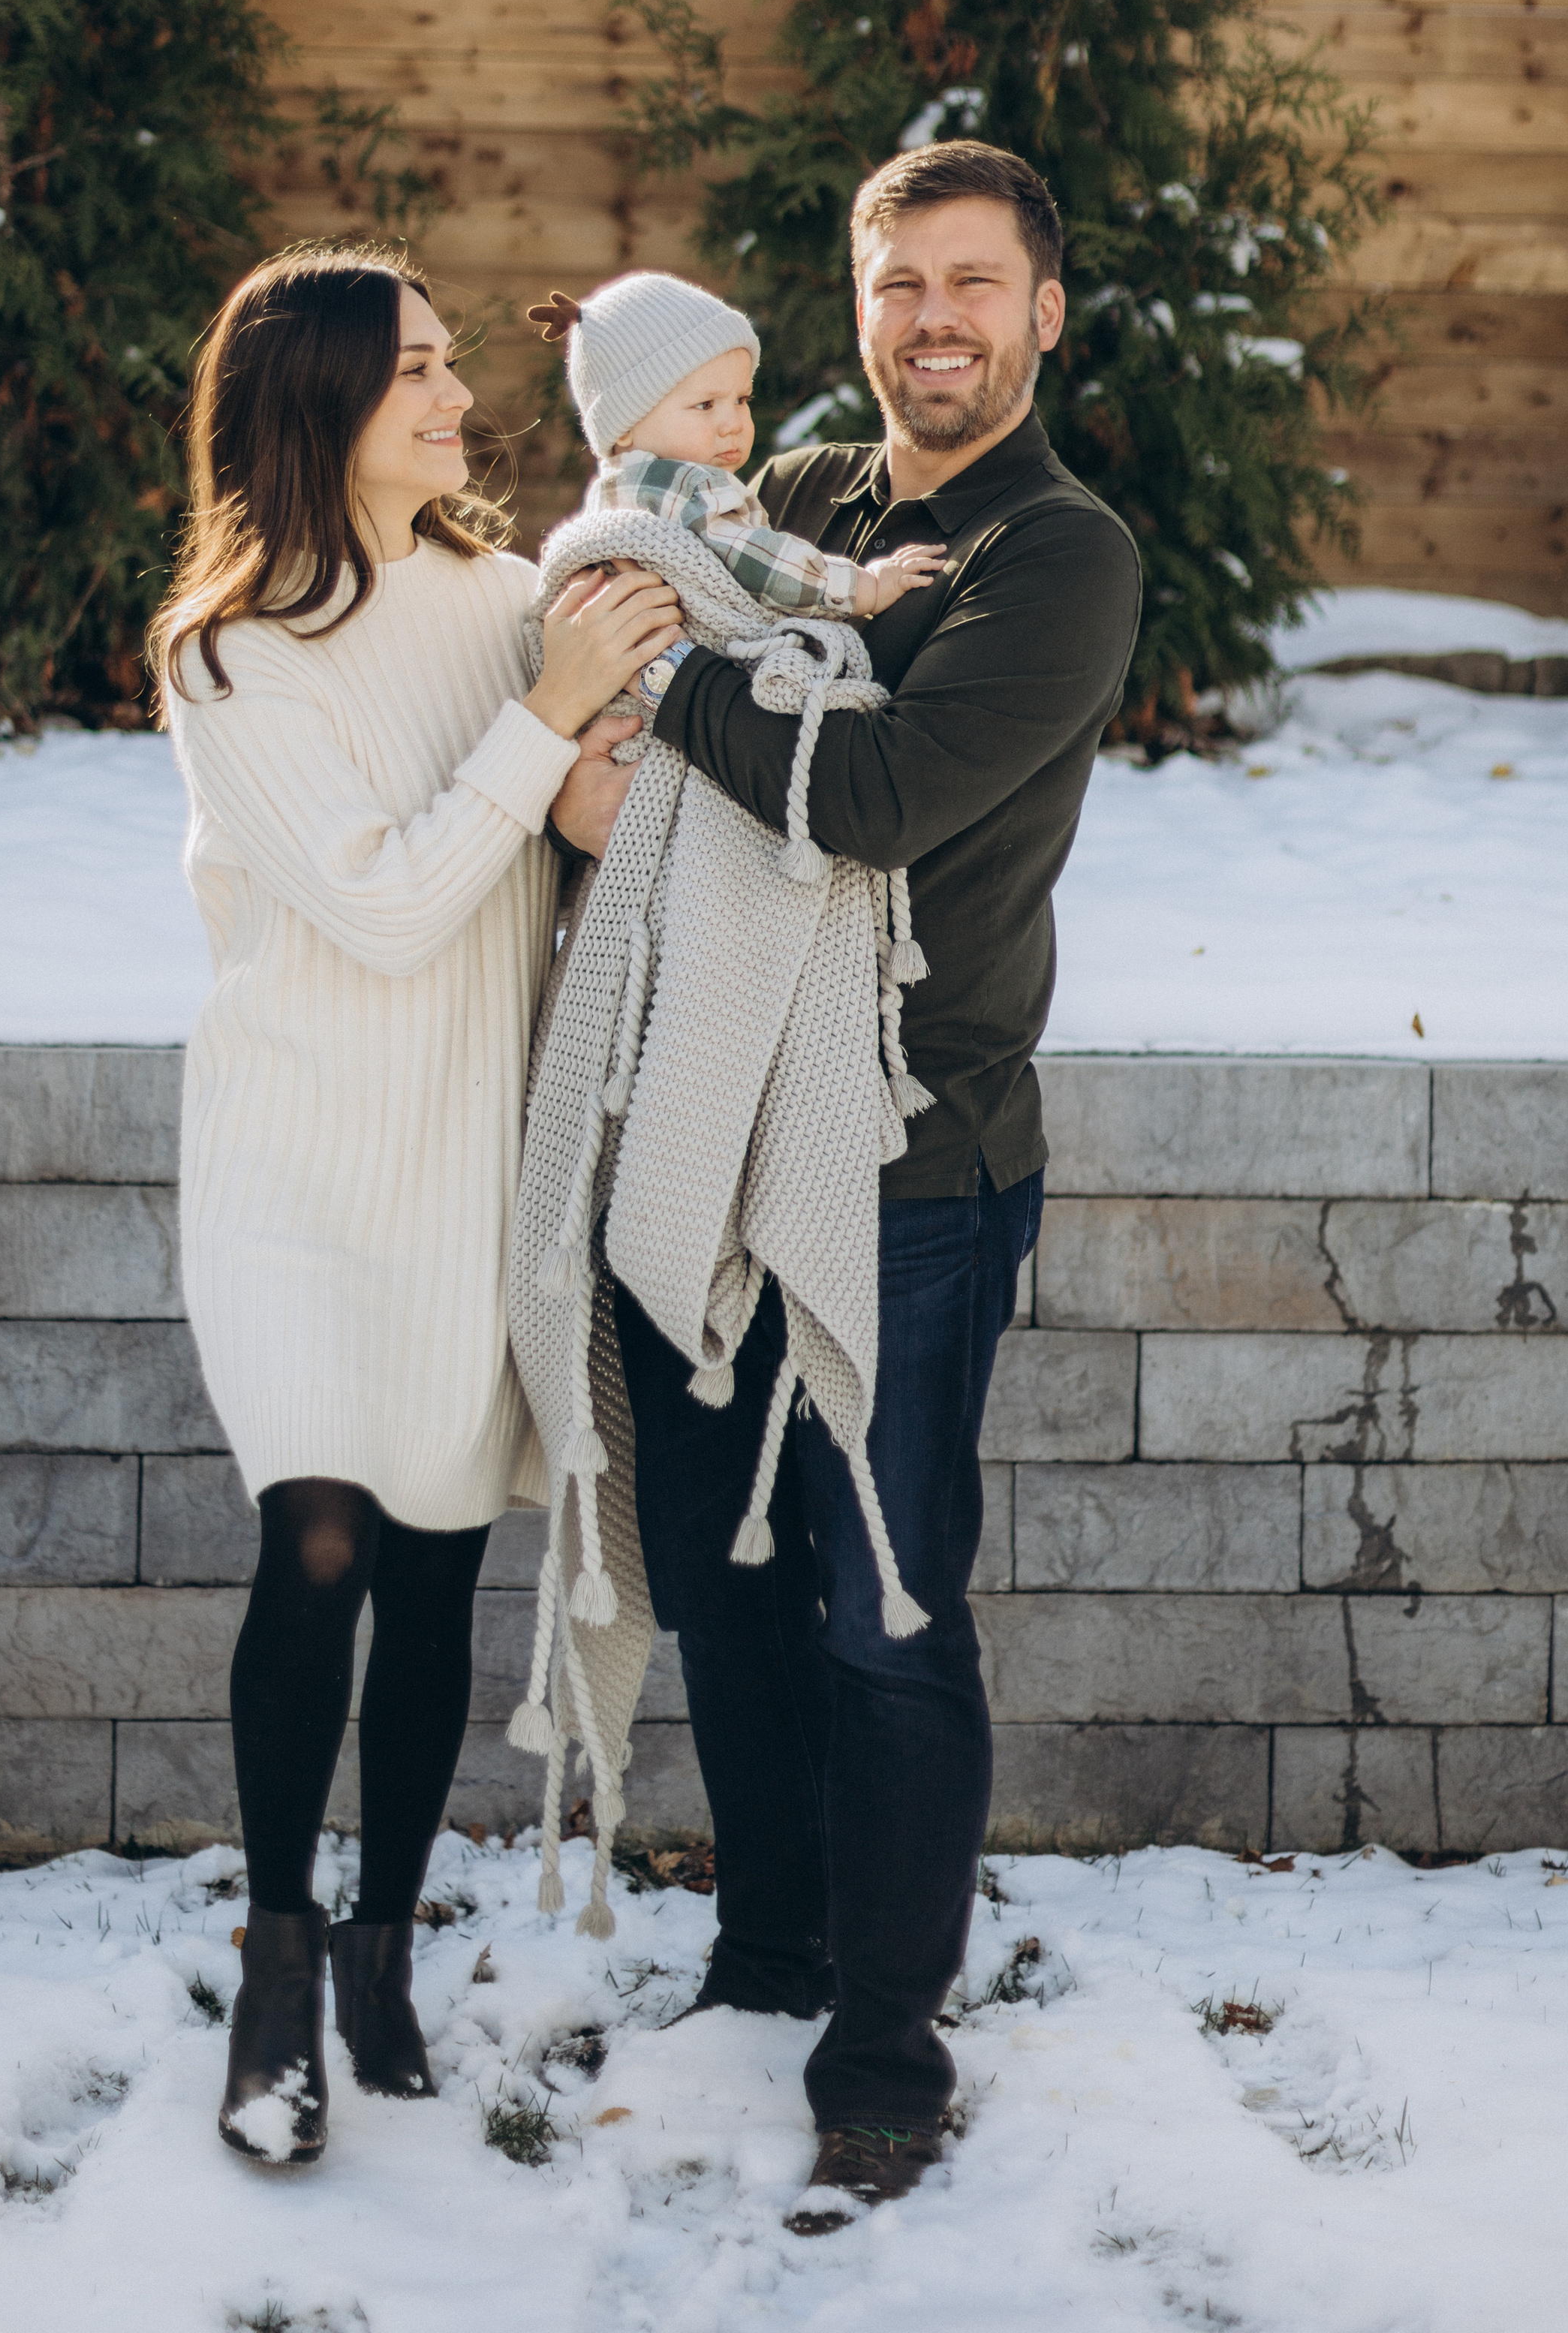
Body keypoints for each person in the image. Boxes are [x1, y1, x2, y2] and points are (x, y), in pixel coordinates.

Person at [549, 140, 1142, 2232]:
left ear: (1045, 311)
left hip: (916, 1169)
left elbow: (873, 794)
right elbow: (613, 559)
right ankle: (773, 1954)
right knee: (724, 1579)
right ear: (861, 300)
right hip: (703, 1124)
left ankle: (886, 2055)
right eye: (901, 285)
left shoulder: (1061, 555)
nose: (936, 324)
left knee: (886, 1614)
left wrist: (660, 699)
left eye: (976, 285)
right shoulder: (791, 497)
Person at [149, 244, 680, 2166]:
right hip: (297, 1153)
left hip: (478, 1148)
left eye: (456, 363)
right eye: (416, 373)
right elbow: (379, 902)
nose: (458, 399)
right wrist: (544, 716)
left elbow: (576, 814)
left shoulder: (500, 594)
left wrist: (600, 726)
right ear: (317, 405)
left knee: (444, 1558)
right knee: (317, 1536)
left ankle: (383, 1953)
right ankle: (275, 1980)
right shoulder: (231, 651)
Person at [528, 270, 944, 625]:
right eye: (705, 405)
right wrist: (866, 587)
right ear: (623, 426)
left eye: (742, 400)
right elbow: (760, 564)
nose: (733, 424)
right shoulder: (685, 487)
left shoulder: (610, 495)